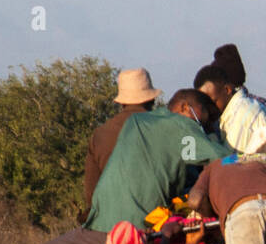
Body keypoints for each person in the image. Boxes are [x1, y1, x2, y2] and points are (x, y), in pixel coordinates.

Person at [84, 89, 233, 234]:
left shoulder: (138, 122)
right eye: (202, 118)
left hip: (100, 221)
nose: (201, 126)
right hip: (138, 226)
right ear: (185, 107)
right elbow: (221, 158)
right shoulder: (180, 124)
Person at [83, 68, 161, 215]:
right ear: (152, 99)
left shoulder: (100, 134)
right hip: (158, 220)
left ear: (122, 102)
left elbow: (91, 193)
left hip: (111, 221)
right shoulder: (165, 128)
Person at [195, 49, 266, 154]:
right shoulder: (233, 112)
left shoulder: (242, 115)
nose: (209, 108)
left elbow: (230, 165)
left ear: (227, 90)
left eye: (212, 102)